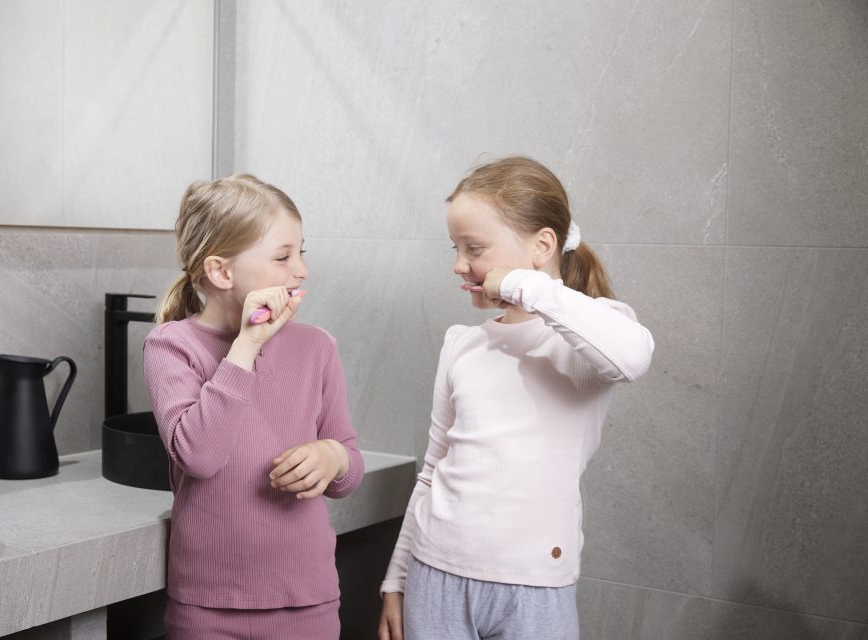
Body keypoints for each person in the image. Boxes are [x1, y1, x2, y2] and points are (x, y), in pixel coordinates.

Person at [378, 156, 654, 640]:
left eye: (475, 248)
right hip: (434, 572)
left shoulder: (592, 335)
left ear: (542, 245)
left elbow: (632, 358)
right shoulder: (463, 343)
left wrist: (524, 285)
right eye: (456, 248)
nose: (460, 265)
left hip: (534, 586)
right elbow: (433, 469)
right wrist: (395, 580)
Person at [143, 174, 364, 640]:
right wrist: (245, 346)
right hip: (207, 608)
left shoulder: (317, 347)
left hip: (308, 602)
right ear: (222, 272)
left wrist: (334, 457)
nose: (300, 270)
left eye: (302, 252)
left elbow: (349, 467)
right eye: (283, 257)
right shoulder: (171, 346)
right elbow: (199, 456)